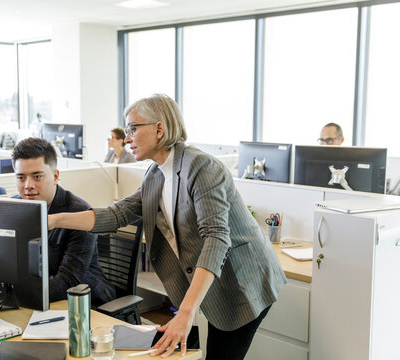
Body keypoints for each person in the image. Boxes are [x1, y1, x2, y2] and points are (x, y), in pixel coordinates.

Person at [48, 94, 286, 360]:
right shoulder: (155, 174)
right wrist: (55, 220)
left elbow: (216, 238)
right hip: (216, 280)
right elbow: (116, 215)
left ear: (159, 129)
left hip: (243, 279)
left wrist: (186, 313)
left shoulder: (202, 167)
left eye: (133, 128)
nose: (127, 138)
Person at [12, 137, 116, 304]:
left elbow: (68, 282)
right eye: (21, 178)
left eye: (37, 176)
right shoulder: (13, 208)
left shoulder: (79, 213)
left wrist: (13, 295)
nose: (28, 185)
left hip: (87, 300)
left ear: (55, 176)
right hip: (40, 297)